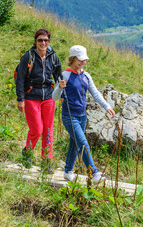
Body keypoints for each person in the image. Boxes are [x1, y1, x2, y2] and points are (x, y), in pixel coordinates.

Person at [52, 45, 116, 183]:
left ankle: (68, 170)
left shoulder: (86, 75)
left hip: (82, 116)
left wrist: (106, 106)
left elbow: (95, 93)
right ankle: (94, 173)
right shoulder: (65, 75)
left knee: (74, 142)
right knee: (83, 143)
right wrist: (59, 87)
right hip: (69, 116)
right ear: (72, 59)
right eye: (80, 60)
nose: (83, 62)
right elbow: (54, 97)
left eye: (84, 60)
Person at [15, 28, 62, 170]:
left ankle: (46, 162)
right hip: (31, 96)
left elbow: (59, 75)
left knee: (48, 130)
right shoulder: (28, 56)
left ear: (49, 41)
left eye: (46, 40)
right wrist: (20, 99)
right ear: (35, 41)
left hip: (48, 96)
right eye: (40, 40)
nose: (43, 42)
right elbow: (20, 79)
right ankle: (27, 153)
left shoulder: (53, 56)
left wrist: (62, 90)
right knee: (37, 129)